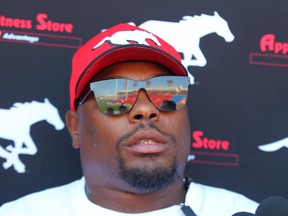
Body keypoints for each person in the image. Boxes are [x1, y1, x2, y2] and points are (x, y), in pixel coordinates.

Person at [0, 23, 258, 216]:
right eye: (116, 94)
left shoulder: (243, 212)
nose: (145, 110)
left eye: (167, 91)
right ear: (75, 127)